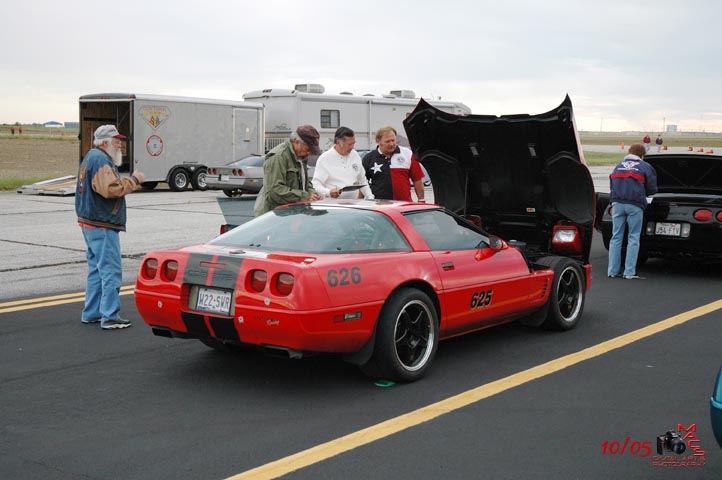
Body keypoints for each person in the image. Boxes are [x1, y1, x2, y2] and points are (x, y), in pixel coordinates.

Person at [75, 125, 145, 329]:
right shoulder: (101, 160)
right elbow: (110, 189)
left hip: (90, 223)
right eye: (116, 141)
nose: (120, 145)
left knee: (96, 271)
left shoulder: (90, 157)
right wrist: (134, 180)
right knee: (110, 271)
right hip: (102, 224)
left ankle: (92, 313)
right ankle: (110, 316)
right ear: (105, 143)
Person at [607, 143, 657, 280]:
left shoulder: (618, 166)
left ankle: (612, 271)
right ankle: (629, 272)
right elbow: (652, 189)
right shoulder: (645, 166)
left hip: (617, 204)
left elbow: (612, 185)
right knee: (633, 238)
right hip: (635, 205)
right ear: (642, 155)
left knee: (616, 237)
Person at [254, 125, 323, 216]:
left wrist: (313, 192)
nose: (309, 153)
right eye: (308, 149)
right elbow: (275, 190)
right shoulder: (278, 156)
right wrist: (306, 196)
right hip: (273, 214)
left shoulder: (301, 156)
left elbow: (304, 182)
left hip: (291, 212)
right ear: (296, 142)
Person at [362, 126, 425, 202]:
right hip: (378, 205)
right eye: (387, 141)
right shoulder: (369, 158)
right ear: (378, 141)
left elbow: (417, 179)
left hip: (403, 205)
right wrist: (359, 202)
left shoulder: (408, 154)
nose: (391, 144)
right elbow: (362, 183)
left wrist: (421, 199)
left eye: (393, 140)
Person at [312, 126, 374, 200]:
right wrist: (328, 192)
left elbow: (362, 180)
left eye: (353, 143)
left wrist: (370, 197)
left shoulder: (355, 155)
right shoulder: (324, 159)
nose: (352, 147)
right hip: (332, 204)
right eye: (349, 144)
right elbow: (316, 184)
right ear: (338, 142)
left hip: (353, 203)